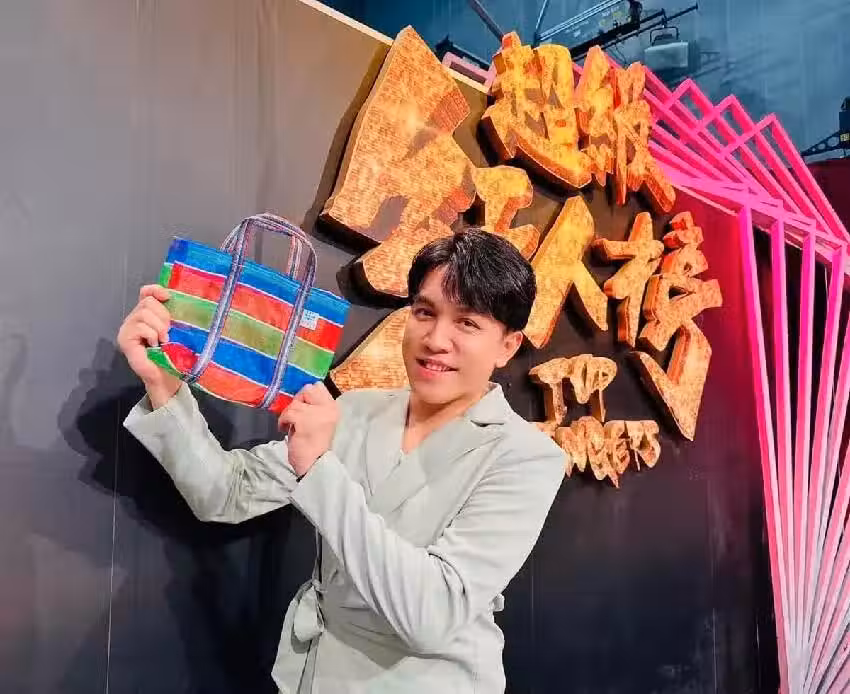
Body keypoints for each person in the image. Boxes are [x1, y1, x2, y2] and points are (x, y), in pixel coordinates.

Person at [119, 228, 566, 693]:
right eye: (425, 312)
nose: (436, 339)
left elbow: (430, 614)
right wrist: (163, 384)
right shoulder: (355, 410)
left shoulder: (526, 458)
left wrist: (318, 472)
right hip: (313, 675)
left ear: (508, 345)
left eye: (467, 323)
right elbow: (226, 494)